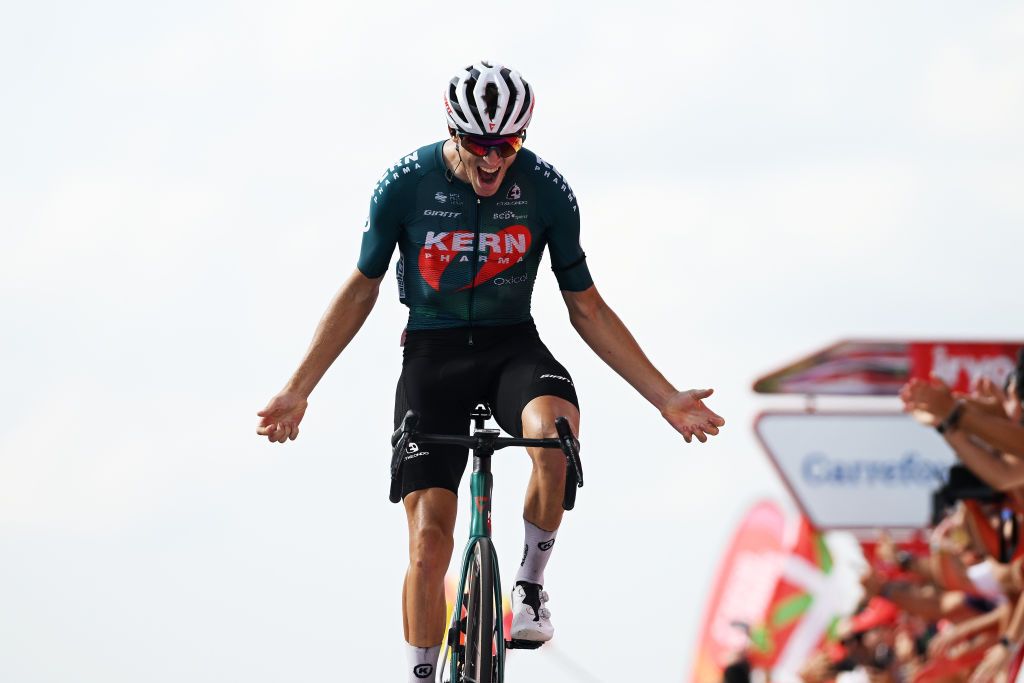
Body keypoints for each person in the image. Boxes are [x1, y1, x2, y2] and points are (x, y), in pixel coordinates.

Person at [256, 61, 725, 682]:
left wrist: (664, 397)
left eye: (507, 145)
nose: (491, 159)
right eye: (478, 145)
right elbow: (361, 289)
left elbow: (585, 305)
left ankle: (529, 589)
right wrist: (298, 388)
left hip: (513, 348)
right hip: (433, 354)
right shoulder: (405, 184)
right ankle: (421, 673)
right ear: (452, 132)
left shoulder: (544, 191)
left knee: (553, 441)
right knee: (428, 542)